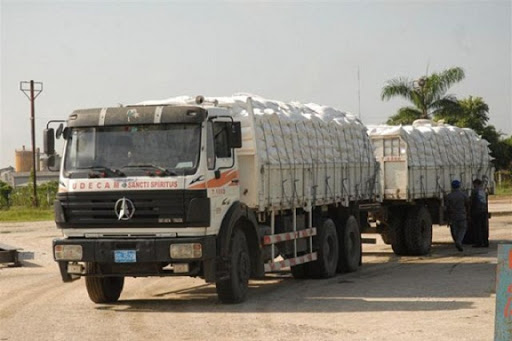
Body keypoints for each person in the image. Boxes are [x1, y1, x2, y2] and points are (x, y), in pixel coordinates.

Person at [445, 180, 469, 252]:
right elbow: (467, 204)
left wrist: (448, 218)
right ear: (459, 186)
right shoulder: (463, 195)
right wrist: (467, 213)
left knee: (454, 230)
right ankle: (459, 241)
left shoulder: (449, 196)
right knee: (462, 229)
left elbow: (447, 207)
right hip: (462, 215)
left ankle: (456, 241)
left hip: (453, 215)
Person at [471, 178, 489, 247]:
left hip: (477, 211)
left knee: (477, 228)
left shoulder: (475, 191)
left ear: (476, 184)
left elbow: (473, 201)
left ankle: (478, 242)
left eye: (474, 184)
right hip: (484, 211)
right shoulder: (483, 191)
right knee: (484, 227)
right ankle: (485, 242)